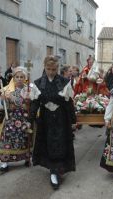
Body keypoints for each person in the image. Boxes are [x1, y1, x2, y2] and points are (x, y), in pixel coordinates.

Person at [30, 55, 76, 190]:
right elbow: (34, 103)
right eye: (48, 69)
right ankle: (53, 170)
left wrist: (73, 120)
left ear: (57, 68)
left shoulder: (65, 82)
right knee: (48, 143)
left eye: (54, 69)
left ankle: (58, 169)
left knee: (61, 142)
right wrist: (30, 119)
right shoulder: (38, 83)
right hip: (45, 119)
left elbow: (69, 103)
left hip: (61, 118)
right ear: (44, 67)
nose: (51, 72)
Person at [0, 66, 39, 174]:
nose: (19, 78)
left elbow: (35, 103)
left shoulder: (29, 89)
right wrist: (2, 100)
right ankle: (4, 163)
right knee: (8, 139)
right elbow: (0, 106)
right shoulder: (6, 90)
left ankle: (26, 159)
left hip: (24, 118)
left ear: (25, 78)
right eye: (17, 76)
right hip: (10, 119)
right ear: (13, 78)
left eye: (22, 77)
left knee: (25, 138)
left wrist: (30, 102)